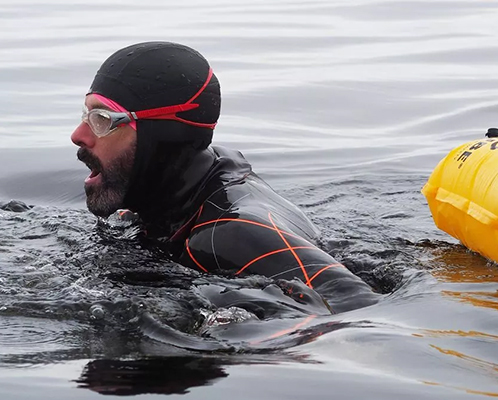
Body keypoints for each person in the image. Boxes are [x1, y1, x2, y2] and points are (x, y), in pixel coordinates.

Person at [71, 42, 377, 312]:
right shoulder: (191, 186)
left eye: (102, 120)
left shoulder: (228, 234)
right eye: (86, 115)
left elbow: (355, 306)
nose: (78, 135)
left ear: (162, 137)